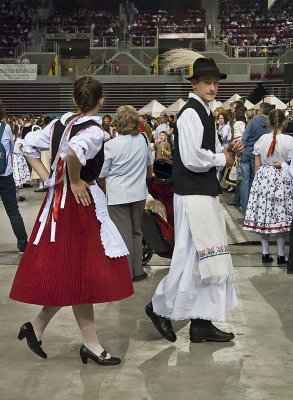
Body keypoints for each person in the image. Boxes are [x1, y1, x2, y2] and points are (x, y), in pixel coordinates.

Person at [9, 76, 133, 365]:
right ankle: (89, 344)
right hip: (78, 205)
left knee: (72, 272)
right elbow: (73, 153)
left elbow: (25, 145)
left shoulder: (60, 123)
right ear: (101, 100)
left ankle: (38, 327)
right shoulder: (93, 130)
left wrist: (47, 178)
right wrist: (74, 180)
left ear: (75, 100)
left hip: (59, 204)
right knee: (82, 274)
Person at [145, 53, 243, 343]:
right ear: (195, 84)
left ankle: (201, 322)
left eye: (215, 83)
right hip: (192, 195)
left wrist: (227, 150)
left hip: (202, 193)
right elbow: (191, 158)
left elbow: (206, 152)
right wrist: (220, 157)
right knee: (192, 257)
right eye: (207, 83)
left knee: (206, 260)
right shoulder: (191, 112)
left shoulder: (203, 110)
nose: (213, 88)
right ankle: (159, 308)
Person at [100, 105, 153, 281]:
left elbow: (102, 172)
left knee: (122, 234)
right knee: (137, 232)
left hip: (117, 195)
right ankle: (138, 271)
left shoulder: (110, 145)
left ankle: (125, 273)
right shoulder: (143, 140)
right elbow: (149, 167)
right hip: (138, 193)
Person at [243, 109, 293, 264]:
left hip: (263, 178)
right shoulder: (288, 140)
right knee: (279, 216)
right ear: (285, 123)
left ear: (268, 123)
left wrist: (260, 180)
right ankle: (281, 255)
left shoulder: (262, 139)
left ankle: (265, 254)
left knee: (265, 216)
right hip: (282, 179)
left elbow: (256, 165)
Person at [0, 102, 28, 253]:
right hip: (5, 175)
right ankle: (23, 244)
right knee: (13, 212)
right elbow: (10, 149)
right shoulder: (6, 128)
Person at [239, 102, 275, 210]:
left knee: (245, 180)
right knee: (255, 180)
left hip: (247, 153)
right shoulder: (271, 124)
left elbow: (244, 139)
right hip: (261, 156)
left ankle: (244, 204)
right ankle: (253, 204)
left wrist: (239, 152)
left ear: (260, 111)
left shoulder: (253, 121)